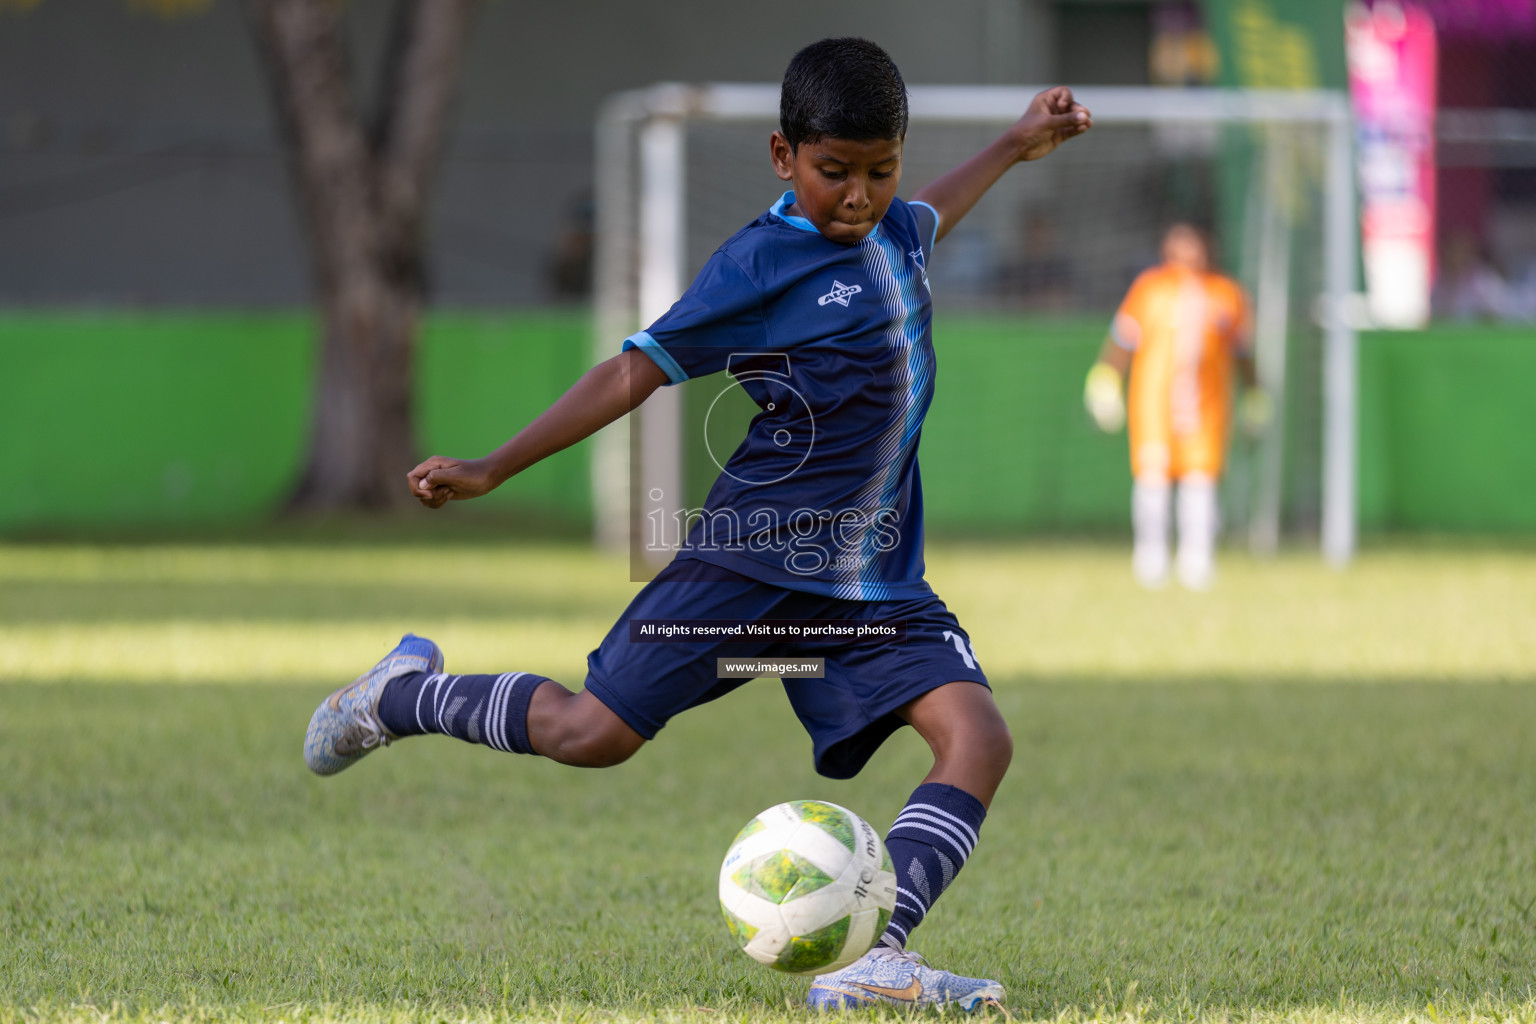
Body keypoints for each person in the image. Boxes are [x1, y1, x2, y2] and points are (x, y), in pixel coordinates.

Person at [305, 38, 1090, 1012]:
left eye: (878, 170)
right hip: (748, 562)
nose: (858, 196)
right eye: (832, 172)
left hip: (873, 579)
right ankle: (402, 696)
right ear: (781, 156)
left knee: (978, 738)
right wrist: (493, 465)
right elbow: (634, 369)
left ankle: (871, 958)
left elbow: (932, 210)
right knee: (593, 732)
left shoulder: (896, 230)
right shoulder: (758, 265)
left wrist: (1017, 142)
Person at [1083, 222, 1262, 590]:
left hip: (1207, 408)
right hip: (1153, 406)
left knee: (1200, 483)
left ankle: (1197, 560)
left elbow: (1244, 353)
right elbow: (1123, 340)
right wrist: (1106, 379)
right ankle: (1151, 559)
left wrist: (1254, 393)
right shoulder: (1149, 289)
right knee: (1153, 480)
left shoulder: (1226, 294)